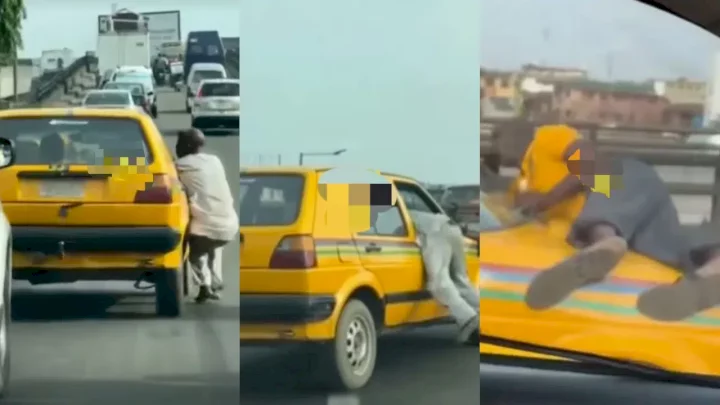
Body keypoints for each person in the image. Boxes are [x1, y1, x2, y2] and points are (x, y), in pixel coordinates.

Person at [514, 124, 720, 321]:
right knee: (673, 244)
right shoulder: (520, 180)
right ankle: (711, 269)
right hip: (630, 224)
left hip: (608, 184)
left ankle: (605, 242)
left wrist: (546, 199)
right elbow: (513, 207)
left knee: (621, 178)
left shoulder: (547, 137)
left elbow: (588, 163)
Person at [175, 128, 238, 303]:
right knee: (214, 244)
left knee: (194, 252)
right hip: (230, 224)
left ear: (186, 146)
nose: (176, 148)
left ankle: (205, 286)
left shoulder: (181, 165)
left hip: (208, 227)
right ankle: (215, 279)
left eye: (179, 144)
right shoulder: (214, 161)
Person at [402, 207, 480, 344]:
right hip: (451, 227)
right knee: (459, 279)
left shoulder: (384, 210)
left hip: (434, 232)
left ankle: (468, 319)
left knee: (439, 284)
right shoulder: (404, 208)